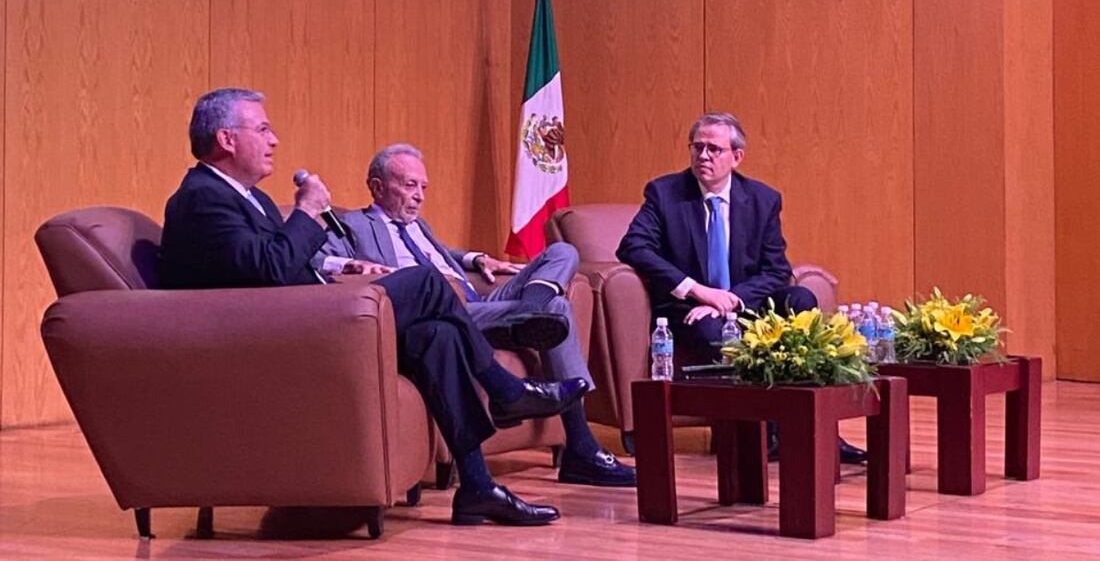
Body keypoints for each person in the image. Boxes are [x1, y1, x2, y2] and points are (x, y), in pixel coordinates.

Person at [158, 88, 589, 525]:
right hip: (278, 337)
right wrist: (307, 213)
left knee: (437, 335)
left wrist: (338, 269)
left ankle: (477, 486)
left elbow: (285, 266)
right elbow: (272, 270)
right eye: (263, 129)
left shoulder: (254, 199)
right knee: (424, 282)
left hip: (307, 314)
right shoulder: (201, 198)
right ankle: (506, 389)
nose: (275, 140)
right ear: (227, 139)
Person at [314, 143, 635, 487]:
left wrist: (475, 258)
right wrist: (348, 263)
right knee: (557, 310)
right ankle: (582, 447)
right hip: (451, 313)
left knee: (562, 252)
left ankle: (530, 312)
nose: (420, 196)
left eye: (424, 187)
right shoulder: (351, 224)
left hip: (483, 301)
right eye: (409, 185)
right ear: (377, 186)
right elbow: (315, 261)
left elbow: (440, 254)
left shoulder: (419, 225)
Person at [616, 111, 866, 464]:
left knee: (801, 300)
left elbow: (776, 268)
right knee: (710, 328)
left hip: (743, 302)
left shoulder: (762, 199)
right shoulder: (665, 193)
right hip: (690, 308)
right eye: (697, 147)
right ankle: (762, 433)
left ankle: (821, 433)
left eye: (713, 149)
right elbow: (633, 247)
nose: (703, 156)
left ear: (737, 156)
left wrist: (729, 301)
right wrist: (697, 291)